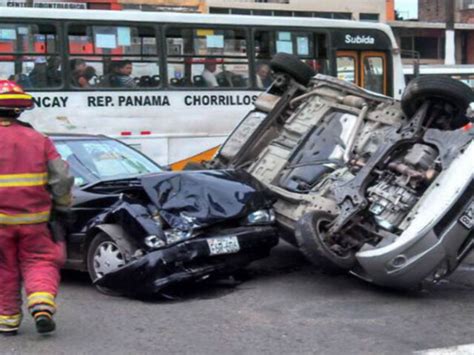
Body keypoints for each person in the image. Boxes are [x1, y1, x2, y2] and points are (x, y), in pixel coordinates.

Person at [0, 80, 74, 336]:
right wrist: (63, 206)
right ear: (19, 109)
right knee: (40, 262)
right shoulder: (39, 139)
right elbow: (62, 178)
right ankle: (41, 306)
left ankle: (7, 320)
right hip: (36, 220)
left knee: (4, 268)